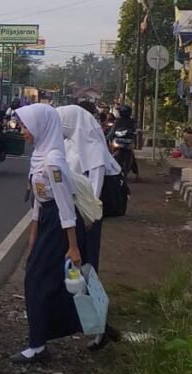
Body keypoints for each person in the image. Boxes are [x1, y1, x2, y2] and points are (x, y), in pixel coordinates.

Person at [10, 104, 86, 364]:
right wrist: (33, 232)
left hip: (59, 225)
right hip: (47, 221)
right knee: (39, 278)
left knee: (38, 280)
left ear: (41, 126)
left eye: (25, 126)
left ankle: (38, 345)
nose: (22, 131)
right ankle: (41, 337)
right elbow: (38, 199)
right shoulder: (40, 156)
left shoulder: (53, 160)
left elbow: (65, 205)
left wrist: (73, 246)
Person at [57, 105, 122, 273]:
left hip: (87, 213)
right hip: (70, 209)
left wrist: (88, 217)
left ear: (71, 123)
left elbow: (95, 188)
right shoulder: (67, 144)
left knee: (86, 257)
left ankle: (86, 295)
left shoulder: (95, 149)